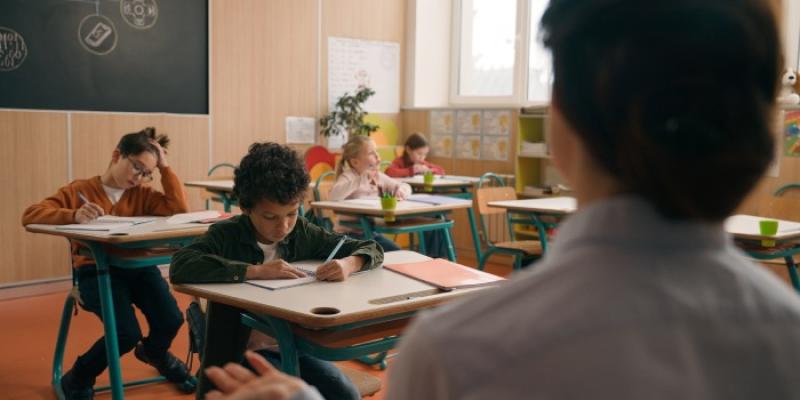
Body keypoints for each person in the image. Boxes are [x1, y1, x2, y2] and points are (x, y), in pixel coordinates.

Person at [197, 0, 800, 399]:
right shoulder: (785, 336)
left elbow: (363, 248)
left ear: (558, 126)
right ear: (764, 129)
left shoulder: (459, 350)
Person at [170, 142, 384, 400]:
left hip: (292, 346)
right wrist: (256, 271)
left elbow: (370, 247)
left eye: (291, 214)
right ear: (246, 208)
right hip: (239, 351)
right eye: (270, 217)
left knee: (345, 393)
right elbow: (181, 265)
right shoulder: (227, 235)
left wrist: (349, 264)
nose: (283, 226)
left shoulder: (302, 232)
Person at [22, 127, 193, 400]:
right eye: (136, 167)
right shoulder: (80, 190)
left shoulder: (144, 194)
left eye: (147, 172)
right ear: (117, 155)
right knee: (125, 333)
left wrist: (165, 167)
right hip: (96, 271)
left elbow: (179, 210)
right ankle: (78, 377)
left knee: (171, 318)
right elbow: (31, 215)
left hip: (138, 269)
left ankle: (154, 353)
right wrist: (74, 214)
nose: (139, 178)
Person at [328, 135, 411, 253]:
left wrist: (401, 191)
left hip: (371, 234)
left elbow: (404, 186)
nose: (377, 156)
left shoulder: (378, 177)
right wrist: (361, 179)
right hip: (347, 237)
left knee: (398, 254)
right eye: (371, 153)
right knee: (372, 260)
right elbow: (333, 196)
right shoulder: (349, 176)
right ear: (355, 162)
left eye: (376, 151)